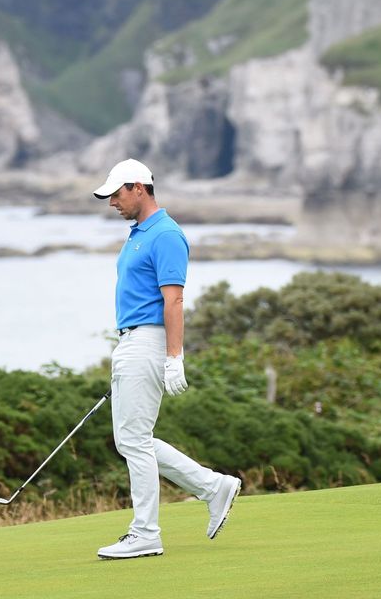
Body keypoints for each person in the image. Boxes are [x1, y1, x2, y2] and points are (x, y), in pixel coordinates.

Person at [91, 158, 242, 560]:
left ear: (138, 187)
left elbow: (173, 299)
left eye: (117, 194)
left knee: (135, 441)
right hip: (131, 342)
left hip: (149, 342)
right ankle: (213, 488)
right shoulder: (139, 233)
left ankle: (145, 533)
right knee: (131, 440)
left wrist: (174, 357)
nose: (112, 203)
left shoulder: (166, 235)